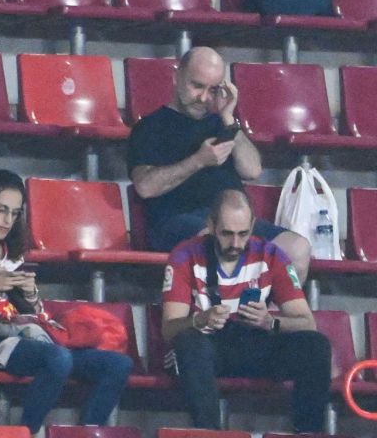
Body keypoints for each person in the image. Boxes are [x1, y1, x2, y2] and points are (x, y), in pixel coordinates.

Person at [0, 170, 132, 434]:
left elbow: (29, 315)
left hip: (19, 331)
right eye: (1, 210)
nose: (7, 220)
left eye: (14, 213)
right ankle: (25, 436)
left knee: (118, 365)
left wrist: (31, 298)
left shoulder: (12, 253)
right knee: (58, 360)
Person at [128, 46, 310, 280]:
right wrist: (198, 160)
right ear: (177, 78)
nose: (204, 98)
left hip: (234, 223)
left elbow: (252, 169)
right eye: (197, 86)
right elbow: (145, 186)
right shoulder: (150, 127)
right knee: (219, 242)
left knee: (297, 248)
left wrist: (229, 120)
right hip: (177, 222)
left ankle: (268, 315)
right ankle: (231, 313)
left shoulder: (222, 124)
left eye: (212, 89)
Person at [161, 189, 332, 434]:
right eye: (227, 234)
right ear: (210, 225)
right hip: (208, 348)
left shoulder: (271, 255)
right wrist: (200, 320)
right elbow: (169, 328)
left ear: (253, 226)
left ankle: (308, 437)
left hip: (255, 342)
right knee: (188, 342)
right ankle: (210, 437)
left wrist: (270, 321)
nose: (235, 244)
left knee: (316, 345)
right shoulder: (184, 256)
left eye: (243, 234)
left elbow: (306, 321)